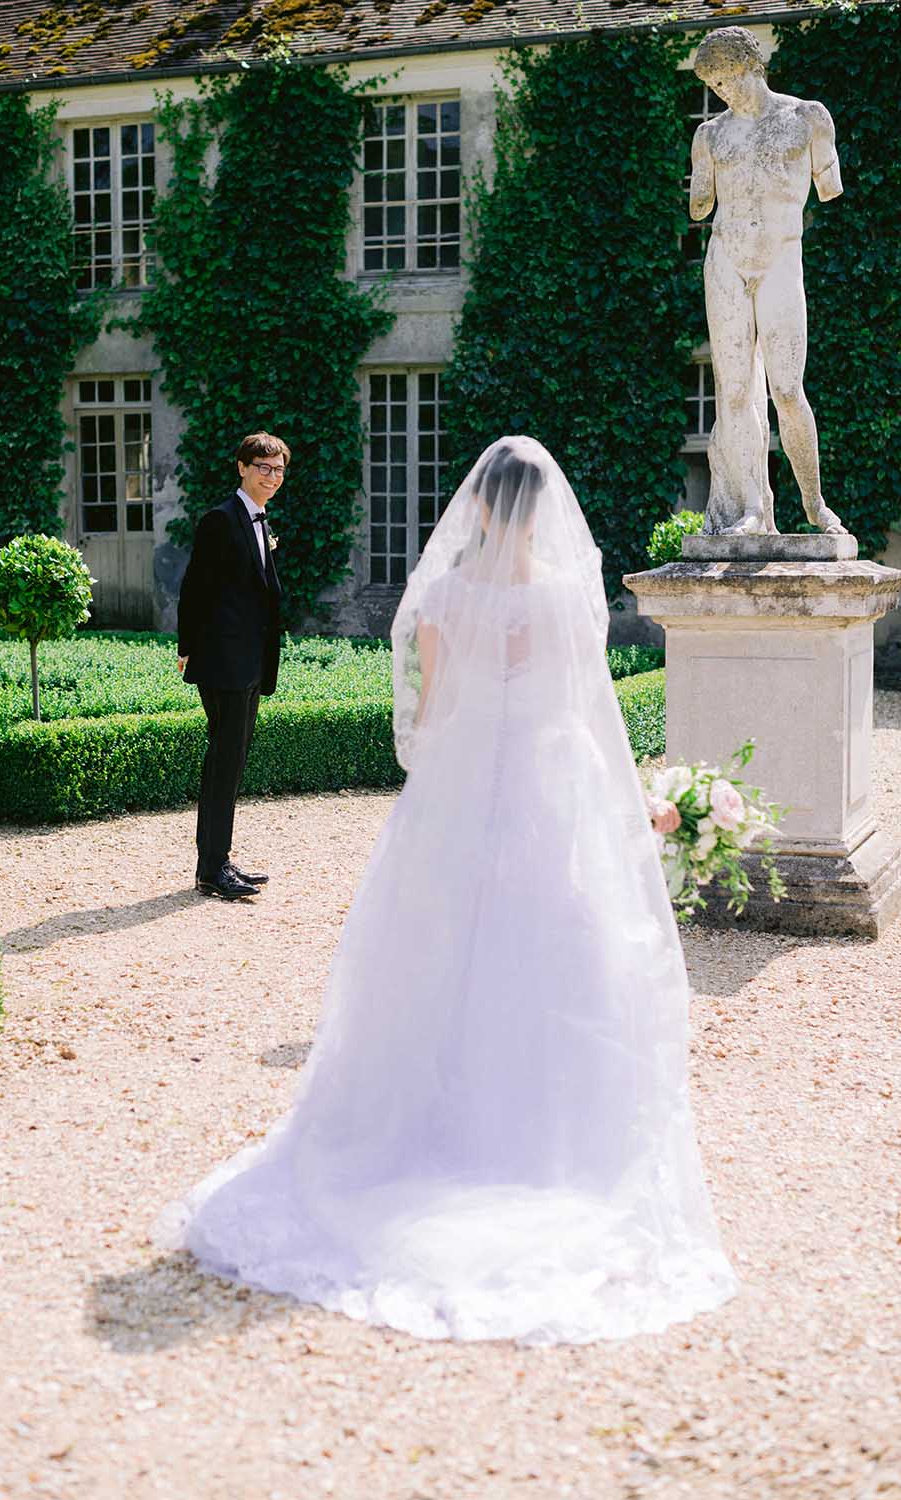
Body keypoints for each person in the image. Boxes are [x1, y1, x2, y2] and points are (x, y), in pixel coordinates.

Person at [156, 437, 737, 1344]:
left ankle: (423, 1122)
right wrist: (633, 805)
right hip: (548, 784)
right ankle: (541, 1129)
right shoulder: (557, 596)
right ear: (543, 512)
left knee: (434, 943)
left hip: (464, 786)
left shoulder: (444, 596)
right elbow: (591, 714)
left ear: (478, 507)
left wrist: (455, 774)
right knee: (555, 940)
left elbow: (430, 721)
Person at [689, 25, 845, 536]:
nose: (721, 93)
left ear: (751, 66)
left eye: (726, 80)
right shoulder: (710, 135)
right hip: (726, 262)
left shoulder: (807, 117)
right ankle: (754, 509)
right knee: (733, 393)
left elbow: (828, 188)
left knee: (787, 388)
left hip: (780, 257)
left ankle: (815, 504)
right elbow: (701, 206)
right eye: (714, 87)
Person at [177, 431, 286, 901]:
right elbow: (195, 588)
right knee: (223, 763)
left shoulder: (259, 522)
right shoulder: (220, 520)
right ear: (242, 468)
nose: (272, 476)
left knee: (233, 762)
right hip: (224, 660)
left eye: (279, 469)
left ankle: (216, 859)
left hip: (250, 661)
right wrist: (187, 646)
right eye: (263, 467)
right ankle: (211, 870)